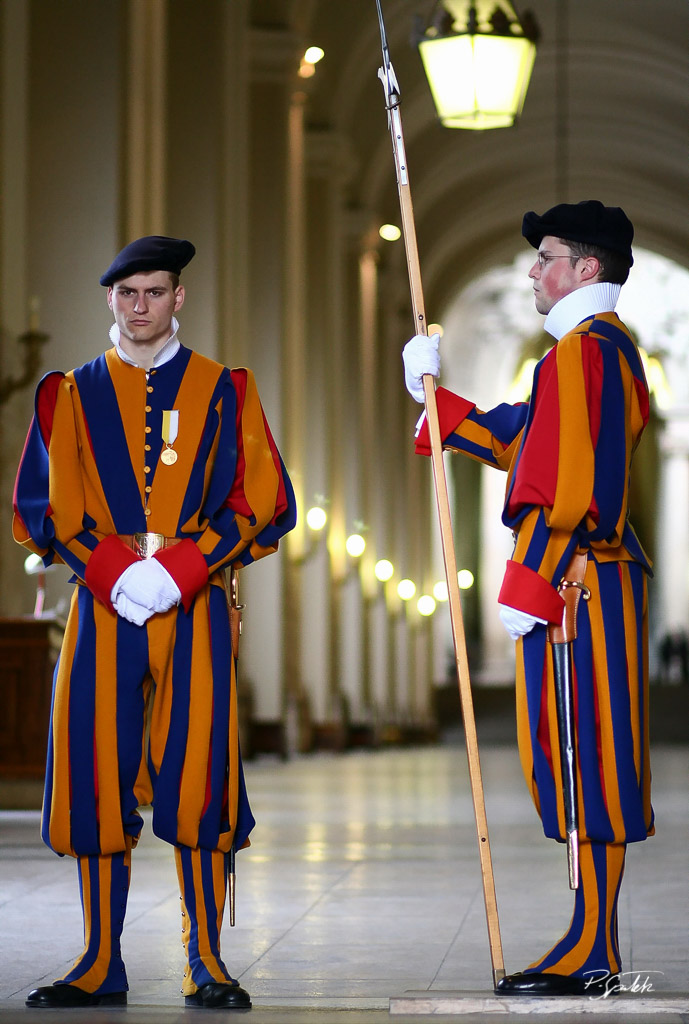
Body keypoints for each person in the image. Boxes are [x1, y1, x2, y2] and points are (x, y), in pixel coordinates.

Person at [13, 235, 297, 1010]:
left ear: (179, 298)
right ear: (111, 299)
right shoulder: (67, 393)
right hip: (103, 607)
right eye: (128, 294)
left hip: (195, 599)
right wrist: (113, 571)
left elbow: (260, 499)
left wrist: (177, 568)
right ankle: (100, 960)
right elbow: (44, 507)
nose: (141, 307)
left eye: (155, 292)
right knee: (93, 773)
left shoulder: (226, 388)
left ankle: (204, 958)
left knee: (199, 771)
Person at [402, 201, 653, 996]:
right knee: (574, 757)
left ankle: (594, 948)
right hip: (572, 585)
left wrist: (532, 575)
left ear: (585, 268)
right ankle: (590, 939)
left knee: (590, 759)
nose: (532, 272)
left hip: (579, 585)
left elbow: (576, 489)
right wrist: (435, 398)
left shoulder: (587, 355)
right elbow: (520, 440)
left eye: (545, 257)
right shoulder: (575, 361)